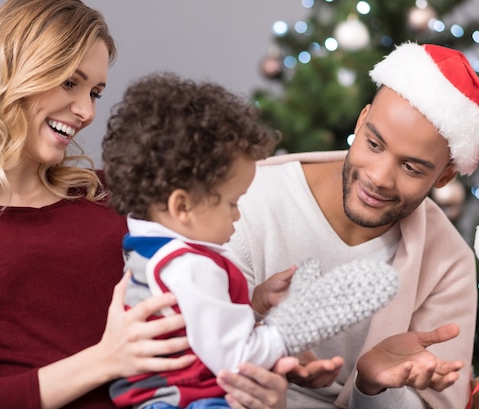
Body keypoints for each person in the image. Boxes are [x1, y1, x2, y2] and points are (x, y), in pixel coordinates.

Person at [0, 1, 286, 408]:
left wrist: (253, 317)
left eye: (94, 92)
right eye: (70, 83)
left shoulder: (112, 193)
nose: (87, 111)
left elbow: (177, 316)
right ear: (14, 72)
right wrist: (104, 361)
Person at [222, 42, 479, 408]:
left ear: (444, 178)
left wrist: (376, 387)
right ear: (361, 120)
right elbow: (189, 345)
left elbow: (437, 404)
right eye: (374, 144)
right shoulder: (249, 199)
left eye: (412, 168)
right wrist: (263, 338)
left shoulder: (448, 263)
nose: (379, 177)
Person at [101, 72, 399, 409]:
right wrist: (284, 332)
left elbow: (199, 328)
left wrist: (256, 306)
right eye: (231, 203)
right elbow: (234, 358)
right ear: (181, 206)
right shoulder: (190, 267)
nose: (238, 216)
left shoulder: (150, 249)